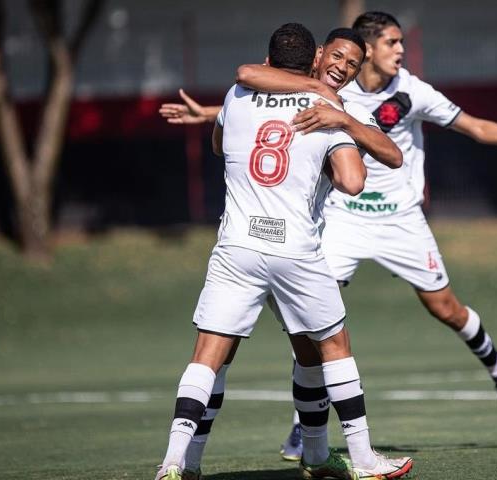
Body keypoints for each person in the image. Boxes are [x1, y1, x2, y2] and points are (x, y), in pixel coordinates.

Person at [154, 23, 412, 480]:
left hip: (238, 247)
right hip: (295, 250)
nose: (343, 69)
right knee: (333, 347)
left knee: (209, 354)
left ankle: (178, 462)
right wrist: (337, 132)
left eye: (352, 64)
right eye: (337, 58)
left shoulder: (237, 94)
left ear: (269, 61)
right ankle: (366, 459)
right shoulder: (328, 105)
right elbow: (354, 181)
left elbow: (220, 141)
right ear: (315, 57)